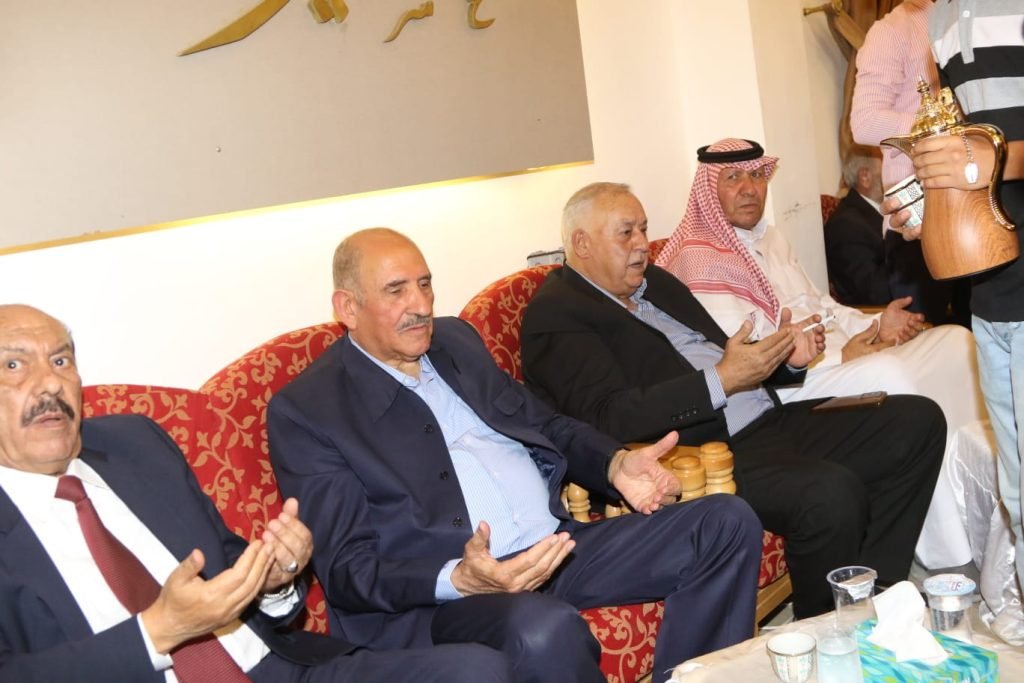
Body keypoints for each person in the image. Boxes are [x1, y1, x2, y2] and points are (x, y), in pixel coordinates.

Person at [267, 228, 763, 683]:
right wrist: (459, 578)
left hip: (554, 547)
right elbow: (347, 568)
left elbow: (545, 424)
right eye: (396, 291)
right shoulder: (311, 410)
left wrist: (613, 464)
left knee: (724, 523)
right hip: (450, 600)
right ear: (348, 307)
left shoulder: (454, 342)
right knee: (542, 630)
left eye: (425, 284)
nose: (419, 305)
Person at [0, 303, 513, 682]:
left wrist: (272, 580)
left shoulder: (137, 446)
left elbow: (231, 567)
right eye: (14, 366)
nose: (50, 384)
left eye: (61, 361)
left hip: (273, 669)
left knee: (477, 671)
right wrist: (156, 631)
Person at [519, 181, 946, 619]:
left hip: (766, 419)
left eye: (644, 229)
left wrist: (785, 360)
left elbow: (723, 357)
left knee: (917, 420)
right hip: (704, 454)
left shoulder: (655, 284)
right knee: (830, 493)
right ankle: (828, 629)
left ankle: (874, 595)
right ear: (581, 244)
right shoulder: (557, 314)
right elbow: (608, 417)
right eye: (626, 233)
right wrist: (720, 381)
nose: (643, 244)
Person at [655, 138, 985, 571]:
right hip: (783, 387)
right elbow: (749, 356)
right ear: (708, 189)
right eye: (733, 178)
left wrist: (874, 325)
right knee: (890, 374)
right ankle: (948, 551)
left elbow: (823, 306)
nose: (749, 188)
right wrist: (845, 356)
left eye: (756, 175)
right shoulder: (698, 259)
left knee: (957, 341)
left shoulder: (771, 237)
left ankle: (977, 510)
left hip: (831, 359)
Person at [893, 0, 1024, 596]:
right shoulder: (941, 20)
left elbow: (987, 154)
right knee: (1016, 487)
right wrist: (932, 201)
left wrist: (989, 158)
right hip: (991, 288)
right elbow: (967, 147)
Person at [849, 0, 970, 326]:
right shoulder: (891, 30)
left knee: (981, 336)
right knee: (923, 341)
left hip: (972, 208)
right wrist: (942, 125)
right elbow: (864, 122)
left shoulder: (964, 15)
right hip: (916, 221)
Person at [824, 149, 891, 306]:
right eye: (888, 169)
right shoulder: (846, 226)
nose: (895, 175)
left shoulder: (877, 212)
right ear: (865, 177)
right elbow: (875, 294)